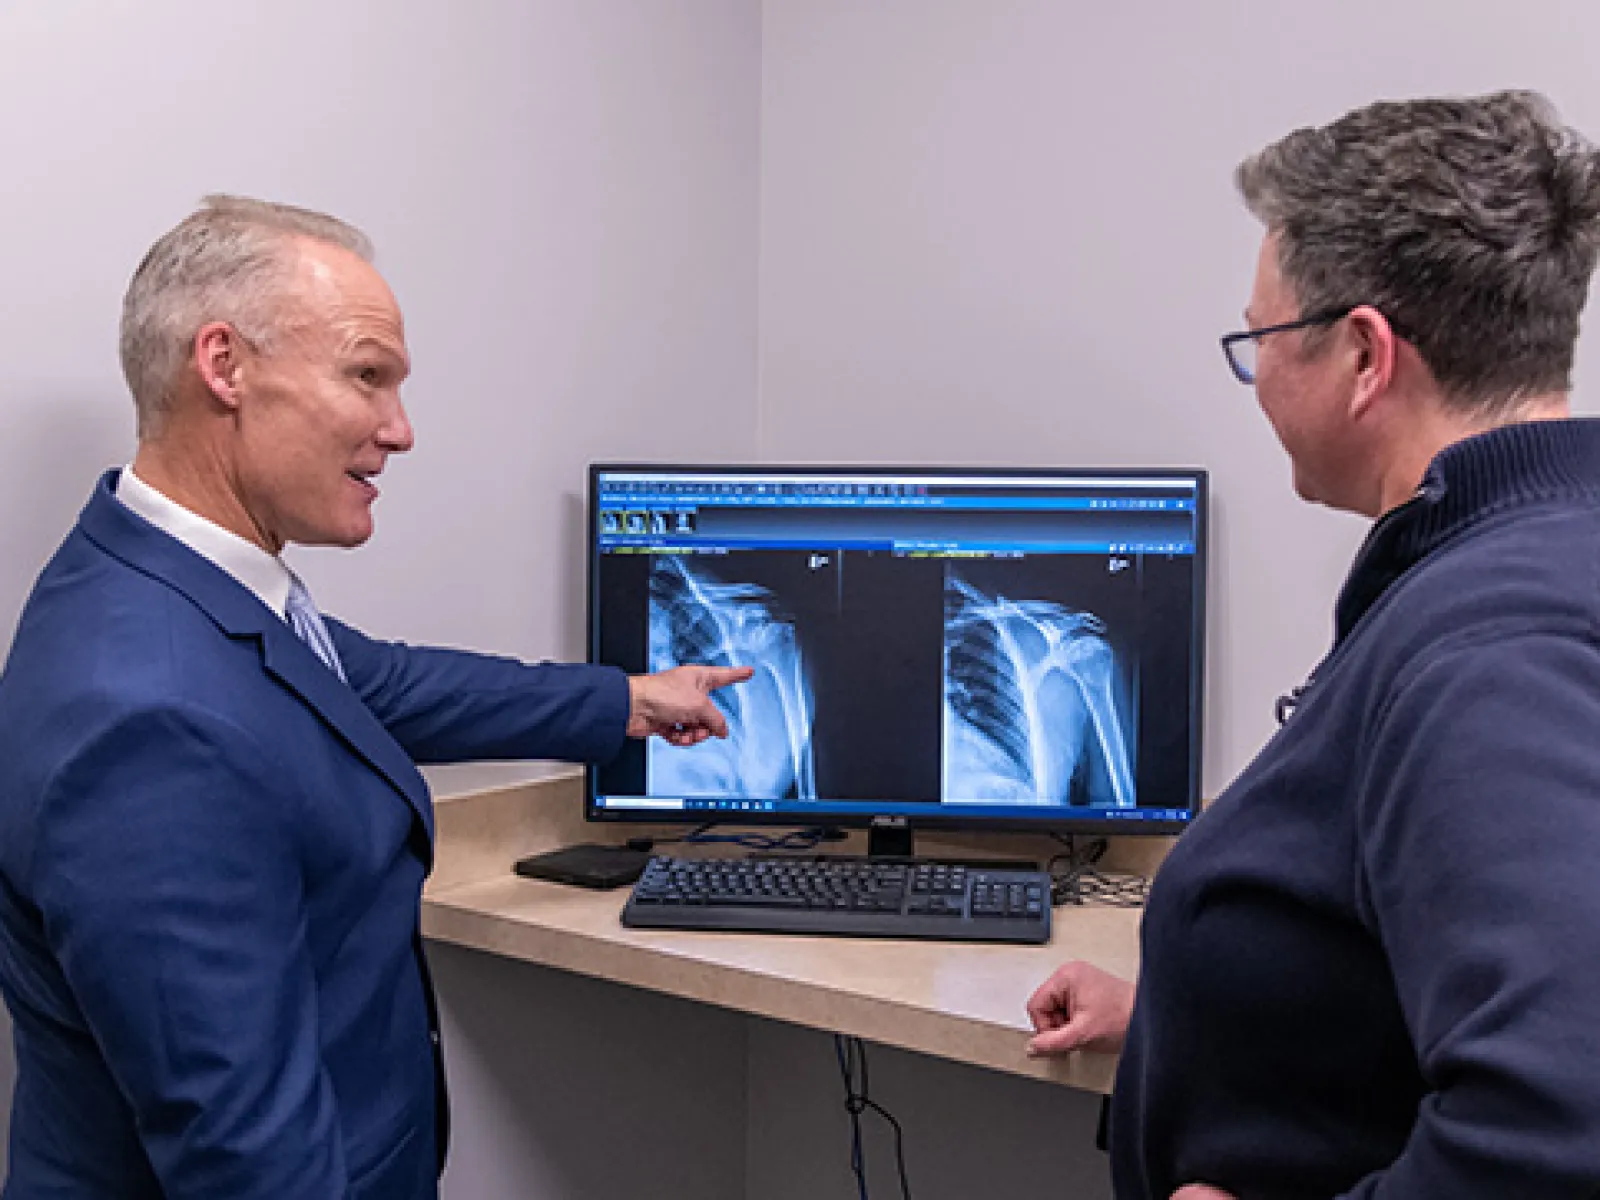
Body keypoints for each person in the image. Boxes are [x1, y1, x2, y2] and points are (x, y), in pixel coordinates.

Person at [0, 196, 748, 1199]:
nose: (398, 430)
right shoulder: (150, 719)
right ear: (224, 366)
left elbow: (376, 680)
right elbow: (245, 1158)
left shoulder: (161, 581)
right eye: (367, 377)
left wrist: (625, 700)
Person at [1027, 90, 1600, 1199]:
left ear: (1362, 356)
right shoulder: (1528, 558)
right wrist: (1182, 1025)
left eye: (1259, 342)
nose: (1255, 382)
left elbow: (1563, 1125)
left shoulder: (1489, 647)